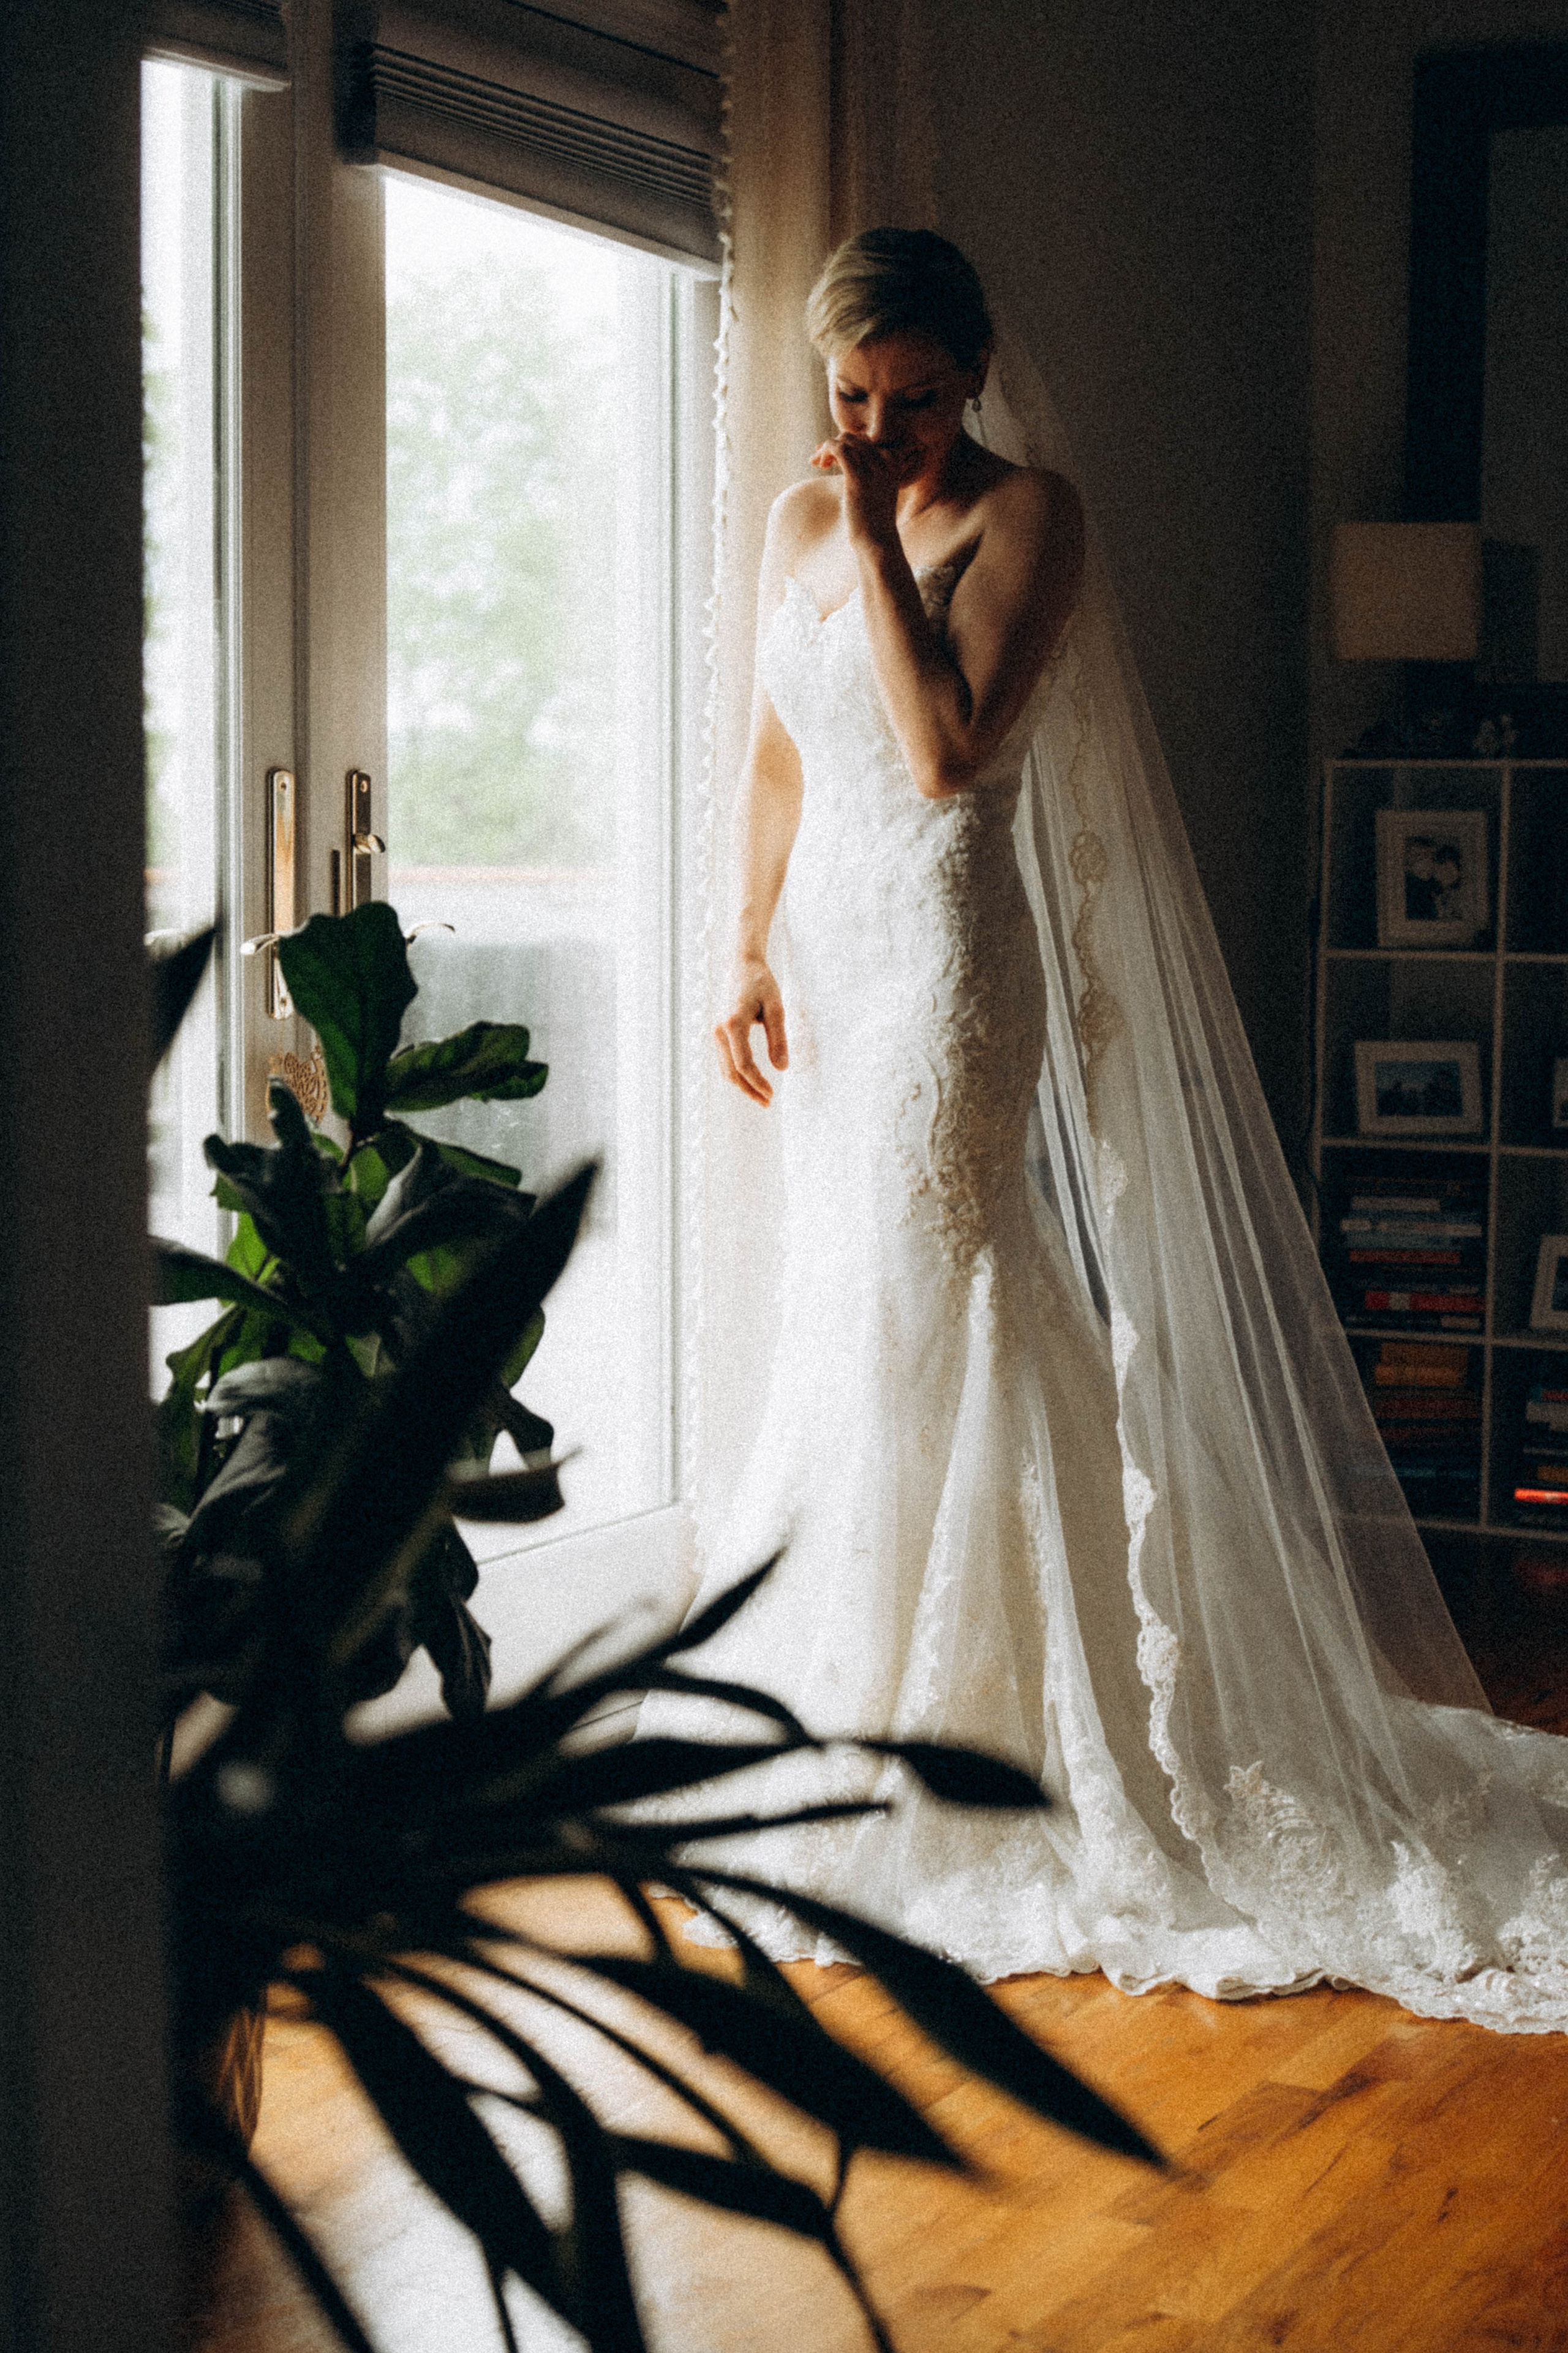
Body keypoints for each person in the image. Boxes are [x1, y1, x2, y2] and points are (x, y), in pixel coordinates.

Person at [643, 230, 1568, 2030]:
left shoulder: (1027, 516)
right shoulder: (794, 520)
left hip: (945, 967)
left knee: (954, 1293)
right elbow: (777, 760)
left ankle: (1003, 1731)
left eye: (915, 399)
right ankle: (840, 1704)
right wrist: (739, 947)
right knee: (849, 1308)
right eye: (852, 398)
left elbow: (935, 755)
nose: (880, 432)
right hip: (832, 964)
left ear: (975, 373)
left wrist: (896, 548)